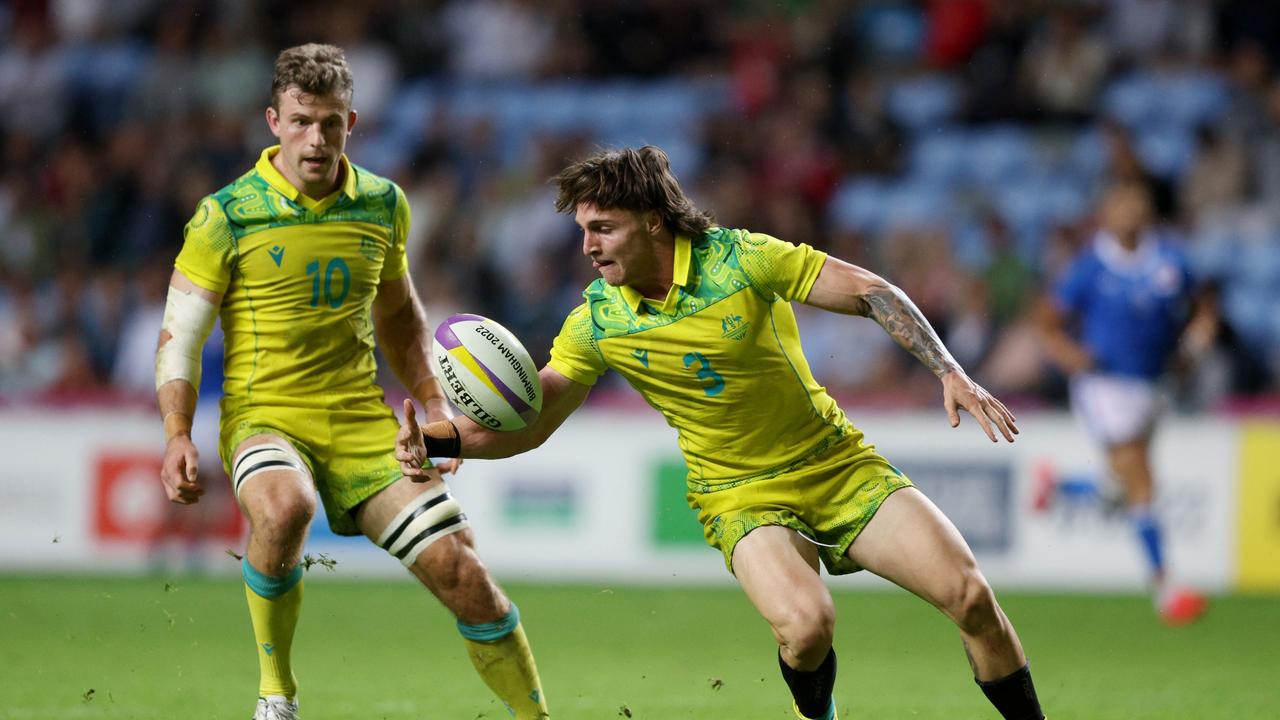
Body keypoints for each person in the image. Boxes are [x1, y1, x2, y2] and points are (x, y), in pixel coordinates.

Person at [400, 146, 1045, 720]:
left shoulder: (741, 260)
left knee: (970, 597)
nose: (588, 247)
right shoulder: (597, 322)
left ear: (652, 221)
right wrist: (440, 440)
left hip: (836, 462)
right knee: (807, 625)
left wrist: (949, 370)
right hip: (738, 492)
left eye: (603, 228)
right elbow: (533, 423)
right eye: (583, 231)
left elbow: (870, 291)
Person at [154, 44, 549, 720]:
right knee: (286, 508)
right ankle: (276, 694)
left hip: (363, 422)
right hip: (265, 415)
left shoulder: (382, 205)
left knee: (468, 577)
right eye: (303, 121)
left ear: (352, 122)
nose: (317, 139)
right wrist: (176, 434)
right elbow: (180, 337)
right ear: (273, 121)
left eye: (331, 123)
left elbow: (399, 313)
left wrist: (432, 407)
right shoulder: (226, 215)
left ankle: (536, 718)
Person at [1039, 181, 1209, 627]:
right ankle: (1166, 588)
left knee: (1120, 486)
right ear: (1106, 214)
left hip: (1154, 384)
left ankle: (1057, 487)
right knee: (1140, 475)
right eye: (1120, 204)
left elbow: (1203, 307)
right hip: (1104, 386)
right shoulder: (1090, 266)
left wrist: (1195, 343)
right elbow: (1048, 321)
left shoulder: (1170, 259)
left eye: (1137, 204)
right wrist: (1070, 355)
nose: (1130, 212)